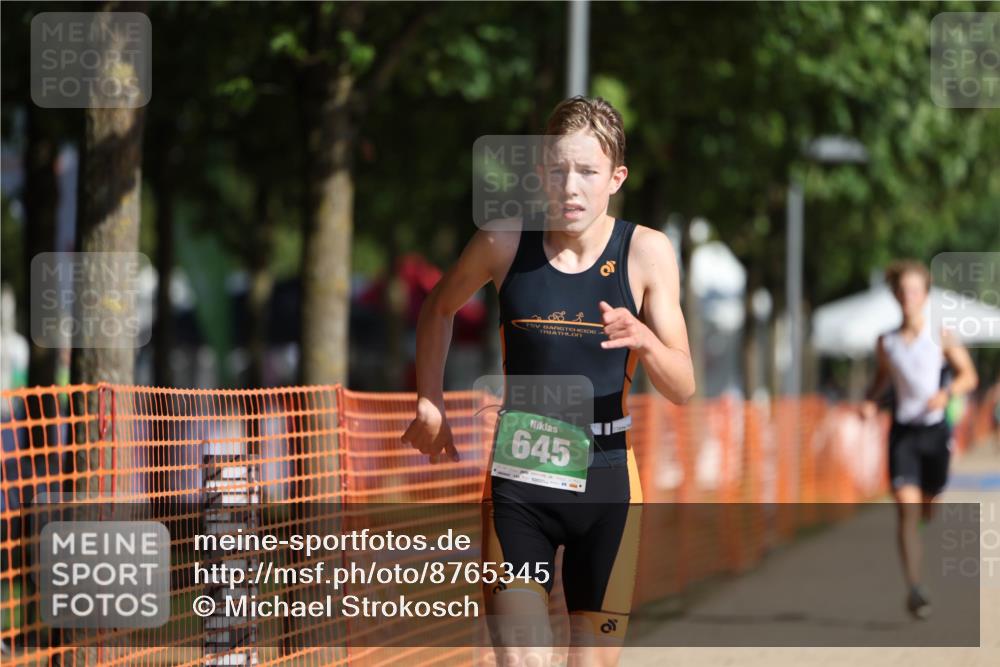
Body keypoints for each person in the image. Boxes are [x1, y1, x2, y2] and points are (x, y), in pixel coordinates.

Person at [401, 96, 695, 666]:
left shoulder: (647, 253)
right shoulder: (504, 241)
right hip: (520, 480)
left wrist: (646, 339)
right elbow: (437, 309)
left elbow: (682, 386)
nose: (571, 186)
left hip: (609, 482)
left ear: (616, 178)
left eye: (587, 171)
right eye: (558, 170)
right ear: (540, 174)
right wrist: (429, 402)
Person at [861, 259, 978, 620]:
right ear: (896, 295)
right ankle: (915, 587)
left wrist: (947, 395)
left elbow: (968, 377)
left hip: (935, 432)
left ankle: (928, 508)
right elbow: (881, 380)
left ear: (925, 295)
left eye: (915, 290)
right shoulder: (886, 342)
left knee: (928, 505)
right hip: (903, 435)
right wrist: (869, 402)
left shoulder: (941, 335)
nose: (908, 297)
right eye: (902, 290)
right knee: (906, 512)